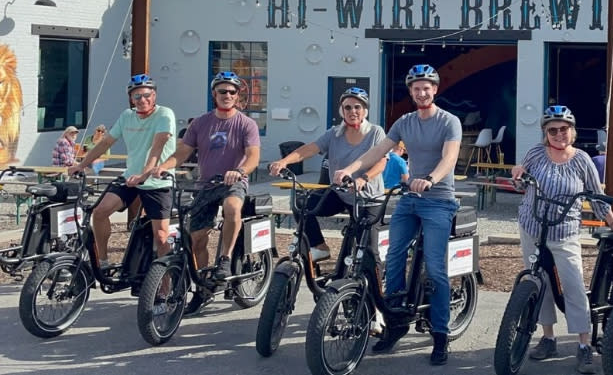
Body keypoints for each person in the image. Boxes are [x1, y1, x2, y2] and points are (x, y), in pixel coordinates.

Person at [335, 64, 462, 366]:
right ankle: (395, 323)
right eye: (416, 88)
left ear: (435, 89)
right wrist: (350, 171)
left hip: (438, 200)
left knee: (435, 267)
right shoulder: (404, 122)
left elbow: (450, 157)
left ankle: (441, 335)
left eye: (426, 87)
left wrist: (430, 178)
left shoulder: (449, 121)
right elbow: (377, 152)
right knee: (391, 257)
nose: (421, 92)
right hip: (408, 200)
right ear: (411, 92)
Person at [513, 105, 613, 374]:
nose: (558, 134)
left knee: (574, 285)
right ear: (545, 133)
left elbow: (594, 195)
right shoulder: (535, 154)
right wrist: (517, 174)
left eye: (563, 129)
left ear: (572, 131)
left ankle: (584, 344)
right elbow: (522, 186)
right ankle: (548, 337)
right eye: (552, 130)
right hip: (532, 227)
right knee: (538, 282)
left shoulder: (582, 160)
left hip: (564, 232)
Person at [155, 71, 260, 312]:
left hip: (234, 181)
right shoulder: (200, 123)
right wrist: (164, 166)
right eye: (222, 91)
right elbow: (183, 152)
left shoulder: (246, 124)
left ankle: (225, 259)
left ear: (237, 96)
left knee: (232, 207)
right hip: (206, 184)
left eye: (232, 92)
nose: (227, 95)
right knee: (196, 239)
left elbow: (254, 156)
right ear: (214, 94)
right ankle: (204, 288)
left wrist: (240, 170)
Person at [268, 86, 388, 262]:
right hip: (340, 194)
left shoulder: (375, 132)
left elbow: (381, 161)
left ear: (365, 110)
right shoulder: (334, 133)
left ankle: (375, 287)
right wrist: (284, 161)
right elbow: (309, 149)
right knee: (302, 205)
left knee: (368, 251)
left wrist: (364, 178)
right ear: (342, 110)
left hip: (367, 198)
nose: (352, 111)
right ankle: (319, 247)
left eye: (357, 107)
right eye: (347, 107)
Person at [69, 74, 176, 268]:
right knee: (99, 212)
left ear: (155, 95)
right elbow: (106, 142)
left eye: (146, 95)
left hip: (157, 180)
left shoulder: (164, 114)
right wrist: (81, 165)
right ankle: (102, 262)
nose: (142, 100)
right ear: (131, 99)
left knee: (160, 237)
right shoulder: (127, 116)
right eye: (137, 97)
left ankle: (165, 286)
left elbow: (157, 146)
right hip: (130, 178)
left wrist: (145, 174)